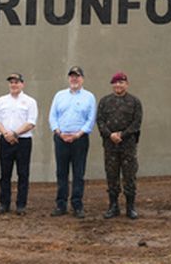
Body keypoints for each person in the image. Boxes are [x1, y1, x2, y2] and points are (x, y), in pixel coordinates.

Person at [49, 66, 96, 219]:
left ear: (82, 79)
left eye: (77, 76)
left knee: (78, 173)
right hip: (61, 139)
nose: (74, 79)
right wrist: (59, 133)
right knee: (61, 173)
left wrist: (77, 135)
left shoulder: (89, 97)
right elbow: (52, 117)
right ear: (68, 78)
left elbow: (90, 119)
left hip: (80, 140)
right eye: (72, 76)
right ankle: (60, 204)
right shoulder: (59, 95)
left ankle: (77, 204)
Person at [97, 71, 143, 220]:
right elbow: (100, 121)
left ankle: (130, 207)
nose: (118, 85)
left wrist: (122, 135)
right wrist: (110, 135)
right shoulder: (104, 102)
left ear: (126, 84)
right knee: (112, 176)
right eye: (115, 83)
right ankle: (113, 206)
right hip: (110, 146)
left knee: (129, 176)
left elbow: (136, 123)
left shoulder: (134, 102)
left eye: (121, 82)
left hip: (128, 145)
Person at [0, 73, 37, 216]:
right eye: (11, 82)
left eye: (16, 82)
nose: (13, 85)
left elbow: (31, 122)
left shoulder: (30, 101)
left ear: (22, 84)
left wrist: (15, 134)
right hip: (5, 140)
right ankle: (4, 204)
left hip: (23, 141)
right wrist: (6, 134)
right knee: (5, 174)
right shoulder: (1, 100)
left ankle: (21, 205)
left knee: (23, 174)